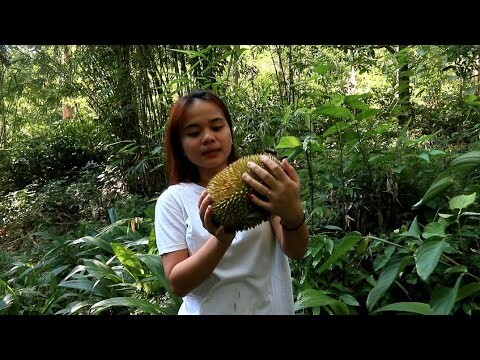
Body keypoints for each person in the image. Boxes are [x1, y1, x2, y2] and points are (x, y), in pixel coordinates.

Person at [154, 89, 309, 315]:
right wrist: (221, 240)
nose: (208, 137)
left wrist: (292, 212)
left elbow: (296, 251)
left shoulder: (260, 179)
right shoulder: (173, 200)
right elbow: (178, 283)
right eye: (194, 132)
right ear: (180, 144)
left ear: (230, 131)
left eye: (217, 127)